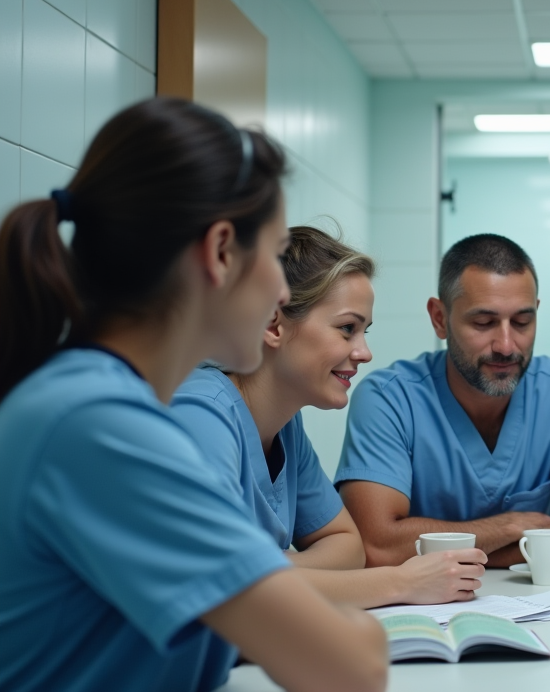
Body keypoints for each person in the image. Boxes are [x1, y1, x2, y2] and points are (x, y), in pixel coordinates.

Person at [0, 98, 387, 692]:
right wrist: (350, 622)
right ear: (220, 252)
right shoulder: (102, 426)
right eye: (274, 256)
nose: (280, 291)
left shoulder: (101, 403)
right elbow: (354, 673)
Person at [172, 227, 486, 608]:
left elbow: (347, 546)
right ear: (273, 324)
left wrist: (272, 571)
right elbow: (223, 583)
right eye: (347, 329)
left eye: (364, 332)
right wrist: (401, 583)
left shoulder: (285, 427)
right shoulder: (200, 413)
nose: (365, 353)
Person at [335, 234, 550, 568]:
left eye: (522, 322)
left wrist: (448, 550)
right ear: (440, 318)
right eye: (484, 323)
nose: (505, 344)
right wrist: (508, 527)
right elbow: (377, 546)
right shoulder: (389, 399)